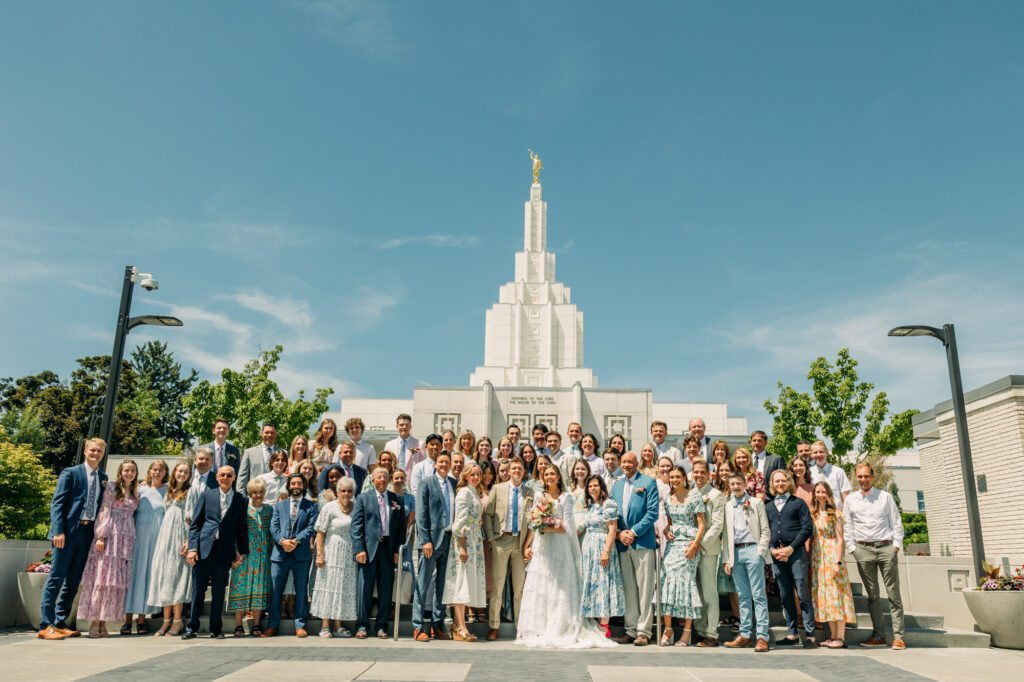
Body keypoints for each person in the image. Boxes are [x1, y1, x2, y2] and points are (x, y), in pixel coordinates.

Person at [515, 466, 615, 649]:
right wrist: (527, 544)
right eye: (546, 474)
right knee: (542, 585)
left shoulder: (565, 497)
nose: (549, 477)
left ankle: (562, 626)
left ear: (558, 476)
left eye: (552, 473)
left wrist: (547, 526)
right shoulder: (539, 496)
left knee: (559, 587)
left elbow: (567, 527)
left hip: (560, 546)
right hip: (542, 547)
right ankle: (541, 627)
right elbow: (533, 524)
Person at [844, 461, 906, 650]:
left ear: (873, 477)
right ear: (856, 477)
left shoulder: (885, 497)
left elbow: (896, 522)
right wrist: (853, 549)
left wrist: (895, 546)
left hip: (886, 548)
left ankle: (899, 637)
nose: (863, 479)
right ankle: (879, 636)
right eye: (860, 476)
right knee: (873, 596)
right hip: (863, 550)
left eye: (866, 476)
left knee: (893, 594)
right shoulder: (851, 499)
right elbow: (848, 526)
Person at [183, 466, 249, 639]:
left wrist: (241, 551)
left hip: (224, 550)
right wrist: (192, 549)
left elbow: (242, 528)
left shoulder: (240, 499)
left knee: (219, 591)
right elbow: (196, 525)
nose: (225, 478)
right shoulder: (207, 495)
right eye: (222, 475)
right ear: (218, 477)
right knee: (198, 590)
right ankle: (192, 627)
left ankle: (216, 628)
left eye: (229, 475)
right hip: (204, 548)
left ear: (234, 477)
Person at [77, 459, 139, 637]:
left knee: (113, 583)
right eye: (126, 470)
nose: (129, 473)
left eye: (133, 471)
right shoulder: (112, 487)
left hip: (125, 541)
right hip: (110, 536)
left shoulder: (134, 491)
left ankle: (103, 624)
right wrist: (101, 535)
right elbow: (105, 510)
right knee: (102, 580)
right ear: (120, 472)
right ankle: (94, 624)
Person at [610, 451, 660, 646]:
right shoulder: (616, 486)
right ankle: (631, 630)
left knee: (645, 588)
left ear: (637, 463)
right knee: (629, 589)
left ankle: (644, 631)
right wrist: (621, 533)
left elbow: (652, 512)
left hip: (642, 542)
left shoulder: (648, 483)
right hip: (622, 544)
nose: (627, 465)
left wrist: (634, 531)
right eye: (624, 462)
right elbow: (613, 512)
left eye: (630, 461)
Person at [351, 467, 406, 639]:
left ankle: (382, 626)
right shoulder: (363, 498)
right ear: (373, 480)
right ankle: (362, 625)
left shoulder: (397, 499)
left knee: (386, 590)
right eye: (379, 477)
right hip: (369, 549)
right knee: (365, 589)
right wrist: (359, 549)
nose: (382, 479)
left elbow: (401, 527)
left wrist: (398, 550)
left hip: (388, 549)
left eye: (385, 477)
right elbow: (356, 526)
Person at [482, 457, 532, 640]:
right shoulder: (498, 489)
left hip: (521, 543)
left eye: (520, 468)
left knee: (519, 588)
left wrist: (529, 545)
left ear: (523, 472)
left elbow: (533, 520)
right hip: (501, 541)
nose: (517, 471)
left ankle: (521, 627)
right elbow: (488, 516)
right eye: (514, 468)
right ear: (508, 471)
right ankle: (494, 626)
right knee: (498, 585)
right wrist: (492, 539)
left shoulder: (530, 492)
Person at [765, 469, 815, 648]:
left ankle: (810, 636)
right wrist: (772, 550)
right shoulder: (768, 507)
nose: (780, 484)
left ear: (788, 482)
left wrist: (791, 548)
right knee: (785, 595)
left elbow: (807, 528)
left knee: (802, 594)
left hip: (796, 554)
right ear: (773, 483)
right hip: (777, 555)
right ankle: (792, 634)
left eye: (783, 481)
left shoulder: (799, 503)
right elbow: (765, 530)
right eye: (776, 481)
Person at [264, 473, 318, 638]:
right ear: (288, 486)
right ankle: (273, 625)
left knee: (301, 591)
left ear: (304, 486)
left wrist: (295, 541)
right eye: (293, 483)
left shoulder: (311, 506)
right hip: (280, 554)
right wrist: (282, 541)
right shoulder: (279, 505)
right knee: (275, 591)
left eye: (299, 484)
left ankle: (300, 626)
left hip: (300, 554)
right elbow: (273, 527)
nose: (296, 486)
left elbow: (311, 527)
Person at [722, 473, 771, 652]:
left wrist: (760, 552)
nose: (735, 486)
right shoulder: (728, 506)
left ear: (745, 485)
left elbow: (765, 530)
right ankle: (745, 634)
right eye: (732, 484)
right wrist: (727, 558)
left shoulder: (756, 503)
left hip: (753, 550)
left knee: (758, 595)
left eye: (738, 483)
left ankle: (762, 636)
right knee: (743, 595)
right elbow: (726, 533)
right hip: (735, 552)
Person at [659, 465, 706, 647]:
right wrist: (665, 530)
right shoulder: (668, 499)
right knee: (666, 582)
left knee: (687, 585)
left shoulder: (694, 495)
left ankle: (687, 632)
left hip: (689, 545)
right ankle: (668, 628)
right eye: (672, 477)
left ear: (684, 478)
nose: (675, 480)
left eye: (678, 476)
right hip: (673, 546)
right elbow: (669, 524)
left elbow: (701, 524)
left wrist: (694, 545)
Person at [412, 450, 456, 641]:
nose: (444, 465)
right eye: (441, 462)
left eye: (447, 462)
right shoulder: (426, 483)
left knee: (442, 586)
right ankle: (418, 626)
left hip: (449, 539)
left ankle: (437, 625)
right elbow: (421, 514)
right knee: (422, 584)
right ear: (435, 464)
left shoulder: (454, 484)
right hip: (431, 541)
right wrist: (425, 540)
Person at [147, 461, 193, 636]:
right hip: (165, 538)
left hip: (180, 536)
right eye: (180, 471)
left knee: (177, 577)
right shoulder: (167, 491)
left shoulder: (190, 492)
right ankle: (166, 621)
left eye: (186, 472)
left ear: (189, 475)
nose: (182, 474)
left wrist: (189, 541)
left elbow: (192, 517)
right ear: (174, 472)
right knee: (164, 577)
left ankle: (177, 620)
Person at [123, 459, 168, 635]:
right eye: (154, 469)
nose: (157, 472)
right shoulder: (139, 489)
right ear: (149, 471)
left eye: (160, 470)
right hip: (138, 536)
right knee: (133, 576)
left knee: (148, 577)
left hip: (157, 538)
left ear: (165, 473)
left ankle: (141, 619)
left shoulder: (168, 490)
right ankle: (127, 620)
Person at [444, 464, 487, 641]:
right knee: (461, 582)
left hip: (474, 541)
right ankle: (461, 626)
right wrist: (462, 546)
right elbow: (458, 523)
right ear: (466, 475)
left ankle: (458, 625)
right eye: (473, 474)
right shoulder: (464, 493)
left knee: (466, 581)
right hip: (465, 542)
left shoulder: (473, 492)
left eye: (478, 474)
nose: (476, 477)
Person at [810, 481, 855, 648]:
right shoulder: (813, 514)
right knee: (826, 598)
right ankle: (832, 636)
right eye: (818, 492)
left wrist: (837, 562)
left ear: (828, 494)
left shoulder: (835, 514)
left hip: (831, 558)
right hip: (818, 560)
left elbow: (840, 539)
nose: (820, 495)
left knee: (837, 596)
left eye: (823, 492)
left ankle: (841, 637)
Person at [311, 477, 358, 638]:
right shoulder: (329, 508)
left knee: (343, 588)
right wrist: (320, 554)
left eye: (349, 490)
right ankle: (325, 625)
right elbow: (320, 532)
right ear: (337, 491)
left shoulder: (356, 507)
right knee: (329, 587)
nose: (346, 493)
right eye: (343, 490)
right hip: (332, 552)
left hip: (349, 555)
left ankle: (338, 626)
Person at [578, 475, 624, 639]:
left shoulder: (609, 505)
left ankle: (605, 627)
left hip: (602, 547)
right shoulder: (590, 506)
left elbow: (612, 529)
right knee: (594, 585)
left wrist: (606, 551)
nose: (592, 489)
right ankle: (596, 625)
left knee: (604, 584)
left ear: (602, 487)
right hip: (589, 549)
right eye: (590, 486)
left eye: (595, 486)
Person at [227, 479, 273, 637]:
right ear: (249, 494)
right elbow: (233, 532)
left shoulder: (269, 510)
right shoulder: (243, 509)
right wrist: (234, 552)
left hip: (262, 557)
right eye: (254, 492)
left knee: (258, 589)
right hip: (244, 555)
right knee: (241, 587)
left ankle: (257, 624)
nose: (258, 495)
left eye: (260, 492)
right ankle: (238, 625)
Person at [692, 458, 726, 647]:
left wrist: (700, 545)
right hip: (691, 550)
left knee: (709, 593)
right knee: (696, 592)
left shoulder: (716, 495)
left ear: (708, 474)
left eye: (701, 472)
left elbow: (717, 525)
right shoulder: (690, 493)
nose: (698, 475)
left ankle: (712, 632)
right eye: (695, 472)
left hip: (707, 550)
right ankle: (699, 629)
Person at [237, 423, 282, 494]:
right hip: (254, 497)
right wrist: (241, 498)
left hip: (276, 497)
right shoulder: (249, 452)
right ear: (262, 433)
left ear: (276, 434)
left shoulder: (282, 453)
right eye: (267, 432)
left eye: (272, 433)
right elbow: (242, 477)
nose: (269, 435)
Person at [809, 441, 852, 510]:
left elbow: (845, 496)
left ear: (827, 453)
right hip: (816, 516)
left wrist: (844, 516)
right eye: (815, 452)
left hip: (836, 514)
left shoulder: (839, 472)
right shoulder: (808, 473)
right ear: (811, 454)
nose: (818, 454)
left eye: (821, 452)